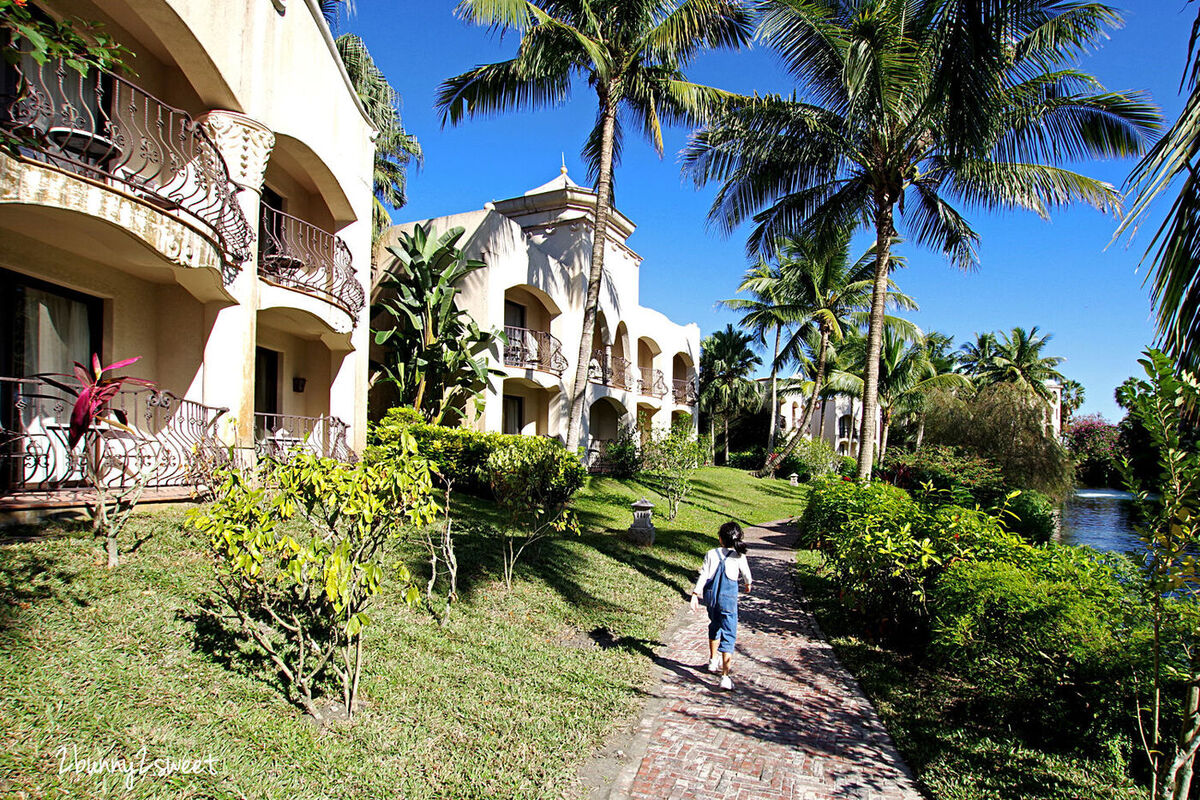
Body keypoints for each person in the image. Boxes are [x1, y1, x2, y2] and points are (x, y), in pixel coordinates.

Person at [689, 520, 753, 690]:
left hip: (711, 599)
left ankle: (712, 660)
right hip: (728, 601)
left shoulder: (711, 554)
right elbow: (747, 575)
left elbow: (703, 575)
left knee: (714, 625)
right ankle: (725, 676)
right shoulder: (739, 556)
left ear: (720, 539)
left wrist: (695, 594)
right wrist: (748, 584)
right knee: (729, 634)